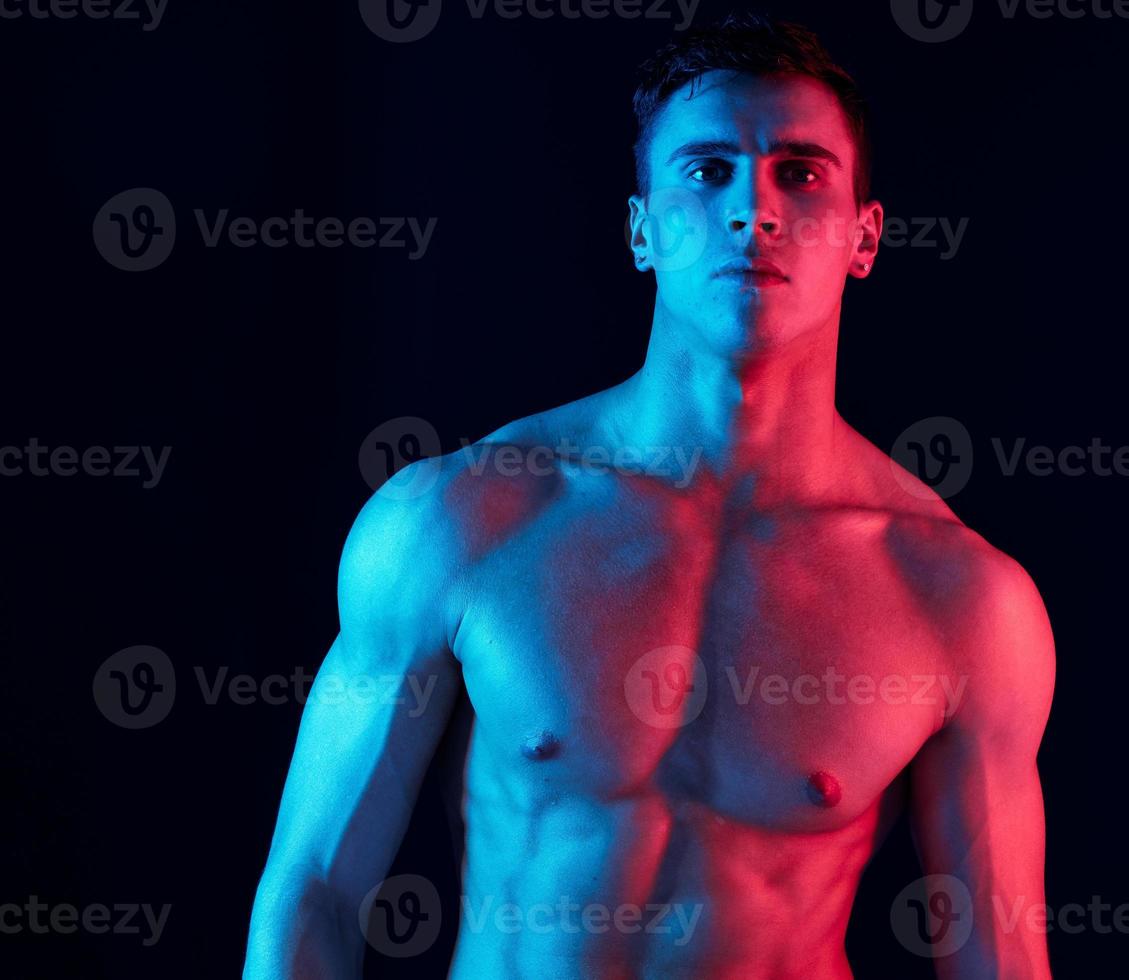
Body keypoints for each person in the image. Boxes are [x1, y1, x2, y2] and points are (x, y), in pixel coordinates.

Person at [244, 12, 1055, 978]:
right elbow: (314, 899)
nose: (753, 209)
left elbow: (999, 961)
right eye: (707, 172)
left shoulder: (960, 597)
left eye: (800, 173)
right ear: (641, 230)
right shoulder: (464, 522)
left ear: (864, 237)